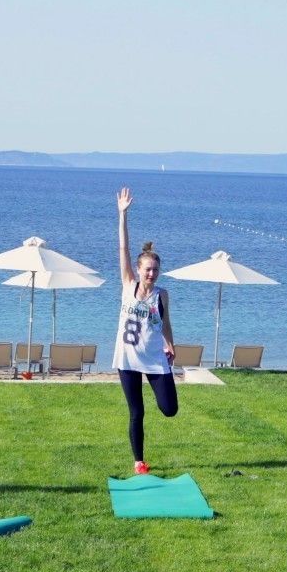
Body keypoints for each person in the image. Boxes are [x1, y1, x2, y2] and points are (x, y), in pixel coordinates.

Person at [113, 186, 176, 475]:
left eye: (155, 270)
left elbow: (165, 322)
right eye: (147, 269)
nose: (151, 274)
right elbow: (123, 249)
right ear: (139, 269)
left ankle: (140, 458)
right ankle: (139, 462)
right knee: (136, 411)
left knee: (169, 409)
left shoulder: (162, 294)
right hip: (127, 359)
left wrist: (170, 344)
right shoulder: (129, 285)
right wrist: (122, 215)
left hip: (154, 359)